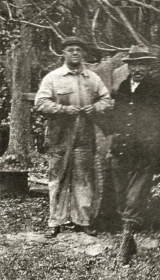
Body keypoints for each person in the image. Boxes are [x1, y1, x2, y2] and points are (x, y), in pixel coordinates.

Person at [105, 44, 160, 265]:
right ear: (129, 67)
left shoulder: (155, 87)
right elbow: (115, 115)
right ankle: (130, 237)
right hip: (120, 149)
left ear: (149, 67)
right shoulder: (123, 87)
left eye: (142, 64)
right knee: (121, 197)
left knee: (135, 196)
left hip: (144, 150)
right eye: (134, 64)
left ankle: (125, 242)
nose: (138, 69)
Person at [35, 36, 112, 239]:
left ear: (83, 53)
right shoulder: (53, 78)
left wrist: (94, 107)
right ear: (64, 53)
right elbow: (40, 103)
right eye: (71, 49)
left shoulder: (92, 78)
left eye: (78, 49)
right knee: (57, 179)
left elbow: (107, 100)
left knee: (84, 179)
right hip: (59, 136)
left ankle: (83, 221)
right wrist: (62, 109)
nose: (75, 53)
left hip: (85, 135)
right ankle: (55, 222)